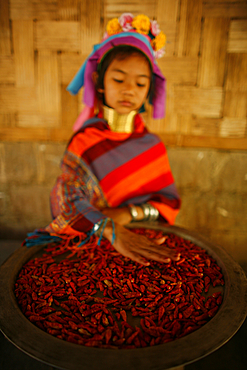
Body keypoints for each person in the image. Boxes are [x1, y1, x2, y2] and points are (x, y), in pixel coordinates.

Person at [26, 14, 181, 266]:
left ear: (148, 90)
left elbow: (168, 204)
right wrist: (109, 228)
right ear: (99, 81)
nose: (129, 89)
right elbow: (66, 200)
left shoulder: (152, 145)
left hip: (142, 242)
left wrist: (127, 214)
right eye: (118, 79)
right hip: (93, 242)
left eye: (140, 84)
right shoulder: (85, 142)